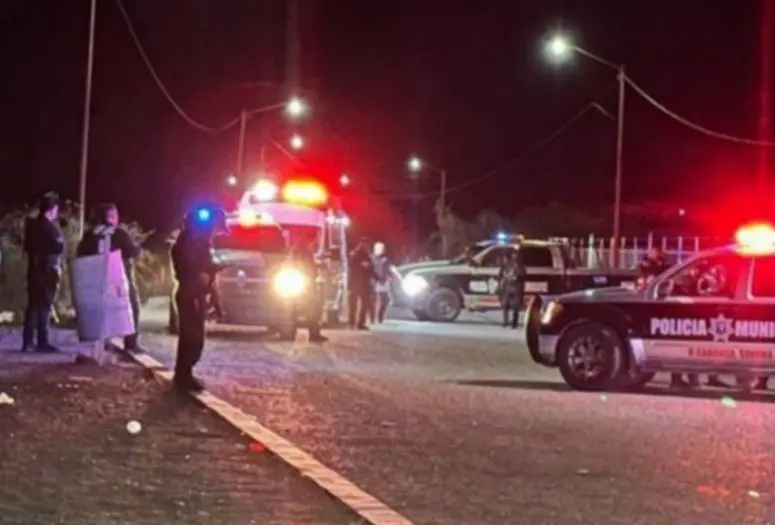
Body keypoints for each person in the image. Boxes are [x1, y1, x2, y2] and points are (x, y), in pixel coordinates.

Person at [169, 207, 225, 391]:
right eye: (216, 228)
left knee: (193, 337)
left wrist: (216, 301)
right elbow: (195, 270)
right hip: (191, 294)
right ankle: (183, 377)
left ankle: (184, 375)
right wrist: (211, 267)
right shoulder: (193, 242)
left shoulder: (195, 242)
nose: (216, 233)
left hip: (194, 294)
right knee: (191, 338)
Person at [77, 203, 143, 352]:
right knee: (132, 307)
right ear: (112, 216)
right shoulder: (119, 233)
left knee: (102, 309)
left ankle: (103, 339)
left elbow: (80, 253)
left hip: (96, 280)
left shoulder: (90, 234)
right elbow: (132, 251)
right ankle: (131, 342)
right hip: (120, 279)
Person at [21, 192, 64, 352]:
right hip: (47, 271)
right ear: (52, 210)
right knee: (44, 306)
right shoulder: (50, 228)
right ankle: (42, 341)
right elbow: (59, 247)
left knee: (32, 306)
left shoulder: (31, 226)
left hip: (33, 269)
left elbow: (27, 248)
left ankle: (27, 342)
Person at [290, 235, 328, 342]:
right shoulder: (304, 252)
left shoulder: (297, 251)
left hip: (301, 283)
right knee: (312, 310)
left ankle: (292, 331)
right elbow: (307, 266)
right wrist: (318, 267)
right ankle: (314, 334)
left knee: (296, 309)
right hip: (306, 284)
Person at [348, 236, 376, 330]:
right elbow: (369, 268)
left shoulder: (354, 254)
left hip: (355, 282)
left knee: (353, 303)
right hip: (362, 282)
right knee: (364, 303)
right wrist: (378, 278)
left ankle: (352, 322)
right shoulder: (363, 254)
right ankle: (360, 323)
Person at [498, 249, 526, 328]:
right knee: (505, 305)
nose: (515, 256)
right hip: (508, 287)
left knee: (515, 306)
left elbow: (523, 276)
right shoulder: (507, 265)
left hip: (517, 287)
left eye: (516, 255)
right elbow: (501, 274)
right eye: (514, 254)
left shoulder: (520, 266)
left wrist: (517, 277)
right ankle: (505, 321)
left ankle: (514, 323)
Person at [368, 242, 392, 324]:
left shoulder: (385, 259)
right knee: (373, 301)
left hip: (383, 282)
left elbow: (388, 270)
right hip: (374, 281)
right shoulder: (371, 258)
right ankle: (372, 317)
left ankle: (380, 316)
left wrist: (389, 277)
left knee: (385, 300)